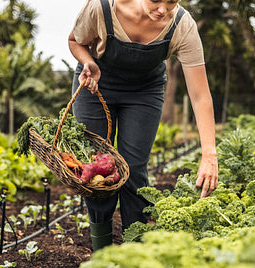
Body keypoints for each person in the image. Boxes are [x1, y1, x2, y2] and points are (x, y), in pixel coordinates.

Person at [68, 0, 218, 251]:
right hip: (95, 85)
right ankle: (101, 251)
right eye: (155, 0)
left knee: (133, 169)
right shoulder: (101, 7)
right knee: (96, 167)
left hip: (144, 92)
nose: (162, 10)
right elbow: (75, 40)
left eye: (171, 2)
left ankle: (133, 252)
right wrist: (88, 62)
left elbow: (200, 95)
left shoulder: (182, 25)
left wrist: (209, 153)